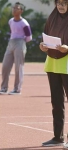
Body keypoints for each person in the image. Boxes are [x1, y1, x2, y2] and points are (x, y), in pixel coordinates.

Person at [39, 0, 68, 148]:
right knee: (56, 103)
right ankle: (58, 137)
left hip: (67, 64)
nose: (61, 6)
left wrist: (67, 47)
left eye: (64, 3)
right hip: (52, 63)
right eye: (58, 3)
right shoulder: (52, 17)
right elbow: (46, 35)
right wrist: (43, 45)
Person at [0, 2, 32, 95]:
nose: (14, 10)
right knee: (5, 66)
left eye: (17, 8)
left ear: (21, 11)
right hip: (11, 42)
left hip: (20, 43)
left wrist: (21, 42)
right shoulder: (11, 21)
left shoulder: (24, 23)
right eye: (13, 8)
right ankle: (4, 88)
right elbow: (12, 31)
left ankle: (17, 89)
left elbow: (29, 37)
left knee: (18, 67)